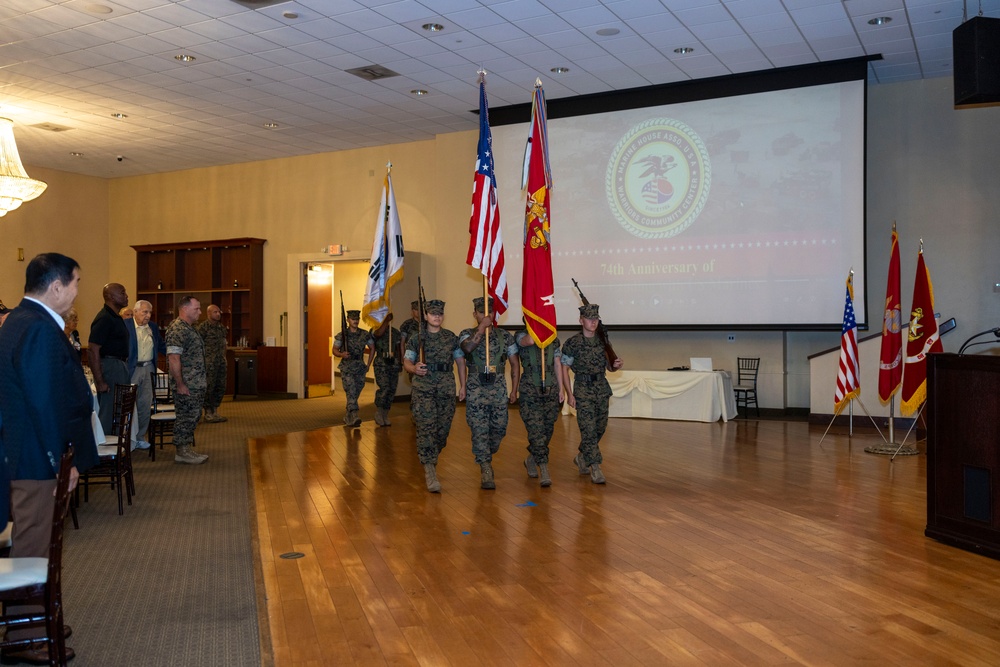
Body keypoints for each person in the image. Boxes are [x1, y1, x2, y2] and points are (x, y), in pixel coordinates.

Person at [0, 253, 99, 663]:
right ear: (56, 286)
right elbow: (43, 403)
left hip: (28, 455)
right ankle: (26, 636)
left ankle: (32, 621)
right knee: (32, 546)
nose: (77, 291)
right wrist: (63, 462)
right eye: (75, 282)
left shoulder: (22, 321)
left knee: (35, 545)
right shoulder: (37, 328)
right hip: (35, 462)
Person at [403, 299, 466, 493]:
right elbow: (406, 361)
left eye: (439, 314)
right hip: (423, 390)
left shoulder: (451, 337)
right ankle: (430, 469)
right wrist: (414, 368)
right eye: (432, 313)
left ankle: (431, 456)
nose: (436, 316)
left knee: (442, 431)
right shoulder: (417, 338)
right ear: (425, 316)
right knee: (426, 429)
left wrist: (463, 385)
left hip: (446, 389)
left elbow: (460, 362)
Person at [458, 297, 519, 490]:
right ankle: (485, 466)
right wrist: (481, 328)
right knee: (479, 429)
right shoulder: (466, 334)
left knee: (499, 429)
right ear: (474, 314)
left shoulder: (505, 336)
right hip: (476, 390)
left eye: (490, 312)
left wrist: (514, 389)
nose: (486, 315)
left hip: (498, 390)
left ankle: (487, 453)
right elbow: (467, 348)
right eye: (481, 312)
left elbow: (514, 363)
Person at [560, 304, 623, 484]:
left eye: (595, 318)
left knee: (599, 428)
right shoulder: (573, 343)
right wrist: (569, 394)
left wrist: (616, 365)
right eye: (589, 318)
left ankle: (582, 456)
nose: (593, 321)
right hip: (583, 390)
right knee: (588, 430)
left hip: (602, 389)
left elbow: (609, 367)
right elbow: (564, 369)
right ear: (581, 321)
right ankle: (595, 466)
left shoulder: (603, 341)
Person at [515, 325, 565, 487]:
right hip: (530, 389)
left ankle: (531, 458)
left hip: (551, 387)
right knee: (536, 430)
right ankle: (543, 467)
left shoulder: (553, 339)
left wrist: (561, 388)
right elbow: (529, 341)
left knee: (547, 429)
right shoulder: (520, 335)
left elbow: (557, 364)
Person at [165, 296, 208, 464]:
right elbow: (174, 359)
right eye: (196, 308)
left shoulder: (189, 328)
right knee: (186, 417)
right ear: (185, 309)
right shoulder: (177, 329)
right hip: (187, 384)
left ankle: (186, 448)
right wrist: (180, 384)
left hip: (195, 382)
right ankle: (182, 451)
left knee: (193, 415)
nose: (200, 312)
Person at [88, 283, 131, 434]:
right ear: (110, 297)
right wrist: (100, 382)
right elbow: (93, 350)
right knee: (109, 411)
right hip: (110, 366)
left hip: (119, 365)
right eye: (122, 292)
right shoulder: (104, 318)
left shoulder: (115, 317)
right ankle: (104, 452)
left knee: (119, 409)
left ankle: (116, 450)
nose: (126, 295)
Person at [126, 300, 164, 449]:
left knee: (144, 404)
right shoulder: (126, 326)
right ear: (135, 312)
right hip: (132, 369)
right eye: (144, 312)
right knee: (128, 404)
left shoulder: (153, 327)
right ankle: (126, 438)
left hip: (148, 368)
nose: (148, 315)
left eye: (150, 312)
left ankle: (140, 436)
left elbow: (160, 345)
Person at [333, 309, 373, 427]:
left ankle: (348, 415)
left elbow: (372, 348)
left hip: (360, 366)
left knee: (356, 391)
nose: (355, 321)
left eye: (357, 319)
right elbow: (334, 350)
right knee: (351, 389)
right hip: (347, 367)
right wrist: (341, 354)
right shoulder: (342, 335)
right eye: (353, 319)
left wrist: (368, 364)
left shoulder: (365, 334)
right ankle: (355, 414)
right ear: (348, 320)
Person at [196, 304, 228, 423]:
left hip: (220, 362)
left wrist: (224, 358)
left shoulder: (221, 328)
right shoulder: (203, 327)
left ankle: (215, 411)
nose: (218, 314)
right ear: (208, 313)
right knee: (209, 387)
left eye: (219, 312)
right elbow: (198, 345)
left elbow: (224, 343)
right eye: (215, 312)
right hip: (208, 363)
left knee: (220, 386)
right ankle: (208, 412)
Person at [368, 315, 402, 426]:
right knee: (384, 388)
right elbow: (378, 334)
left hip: (393, 363)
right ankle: (379, 412)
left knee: (392, 389)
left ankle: (385, 413)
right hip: (381, 364)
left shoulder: (395, 332)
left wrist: (400, 361)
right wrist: (386, 322)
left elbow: (398, 348)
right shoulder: (375, 329)